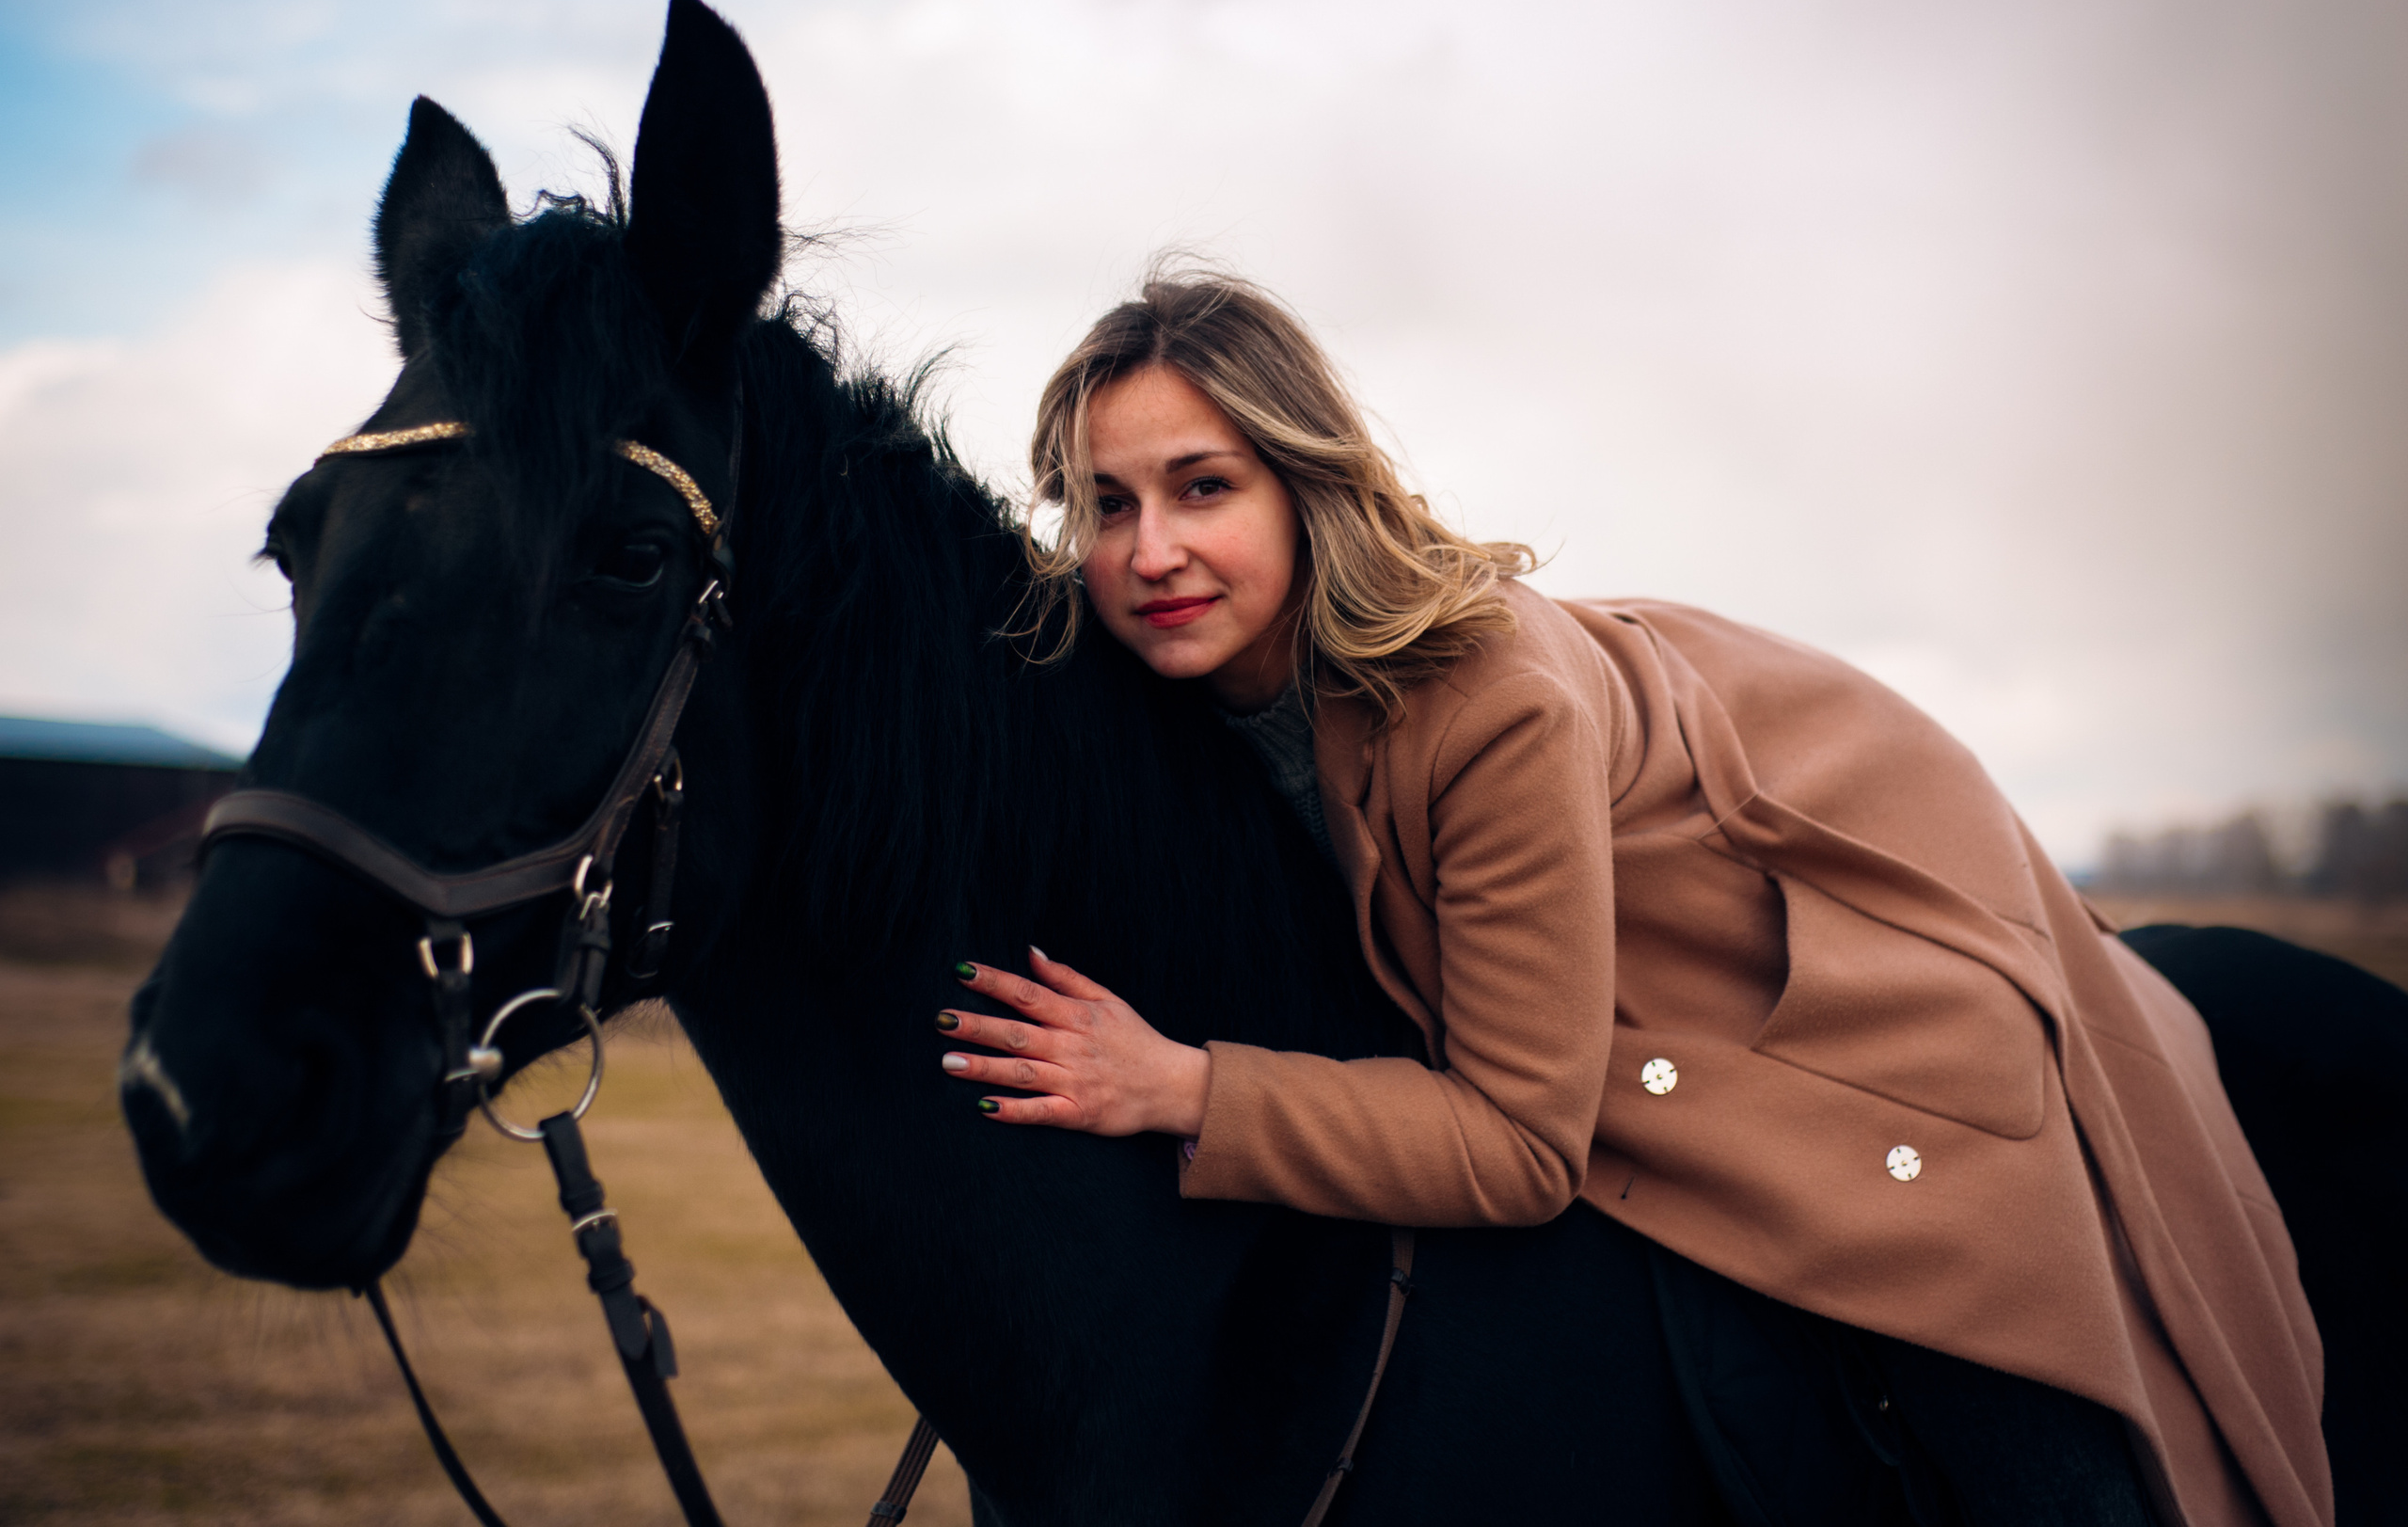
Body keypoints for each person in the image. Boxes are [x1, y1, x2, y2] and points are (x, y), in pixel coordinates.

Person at [931, 267, 2330, 1527]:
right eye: (1108, 505)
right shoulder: (1164, 673)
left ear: (1306, 485)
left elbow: (1523, 1144)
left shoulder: (1490, 709)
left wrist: (1185, 1088)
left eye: (1203, 487)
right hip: (1629, 902)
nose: (1149, 550)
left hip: (1838, 924)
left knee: (1989, 1368)